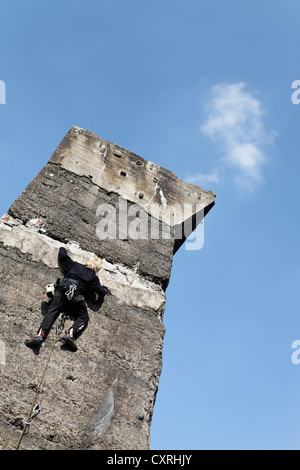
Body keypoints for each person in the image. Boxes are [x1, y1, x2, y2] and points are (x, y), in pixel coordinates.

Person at [25, 247, 107, 351]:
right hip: (75, 292)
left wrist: (64, 249)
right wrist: (98, 301)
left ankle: (40, 334)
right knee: (83, 317)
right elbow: (101, 291)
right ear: (97, 268)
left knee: (52, 311)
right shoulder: (93, 277)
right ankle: (71, 334)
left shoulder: (75, 265)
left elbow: (63, 257)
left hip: (62, 287)